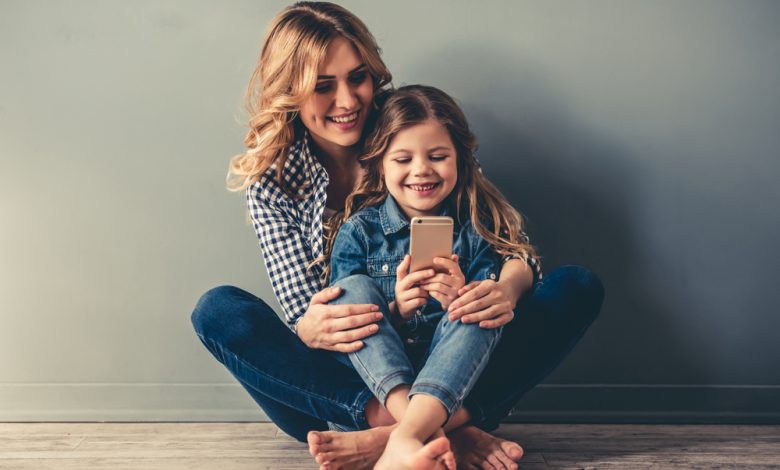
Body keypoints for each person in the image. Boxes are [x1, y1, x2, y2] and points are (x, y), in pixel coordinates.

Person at [189, 3, 604, 470]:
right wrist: (316, 325)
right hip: (341, 383)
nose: (347, 102)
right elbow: (313, 316)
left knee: (576, 286)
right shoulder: (273, 181)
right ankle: (436, 427)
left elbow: (511, 246)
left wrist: (502, 291)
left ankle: (393, 439)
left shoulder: (415, 125)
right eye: (323, 87)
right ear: (291, 92)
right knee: (218, 310)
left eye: (358, 77)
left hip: (454, 359)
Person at [321, 84, 553, 469]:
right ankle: (417, 428)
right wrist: (397, 310)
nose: (421, 170)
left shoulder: (476, 229)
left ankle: (404, 438)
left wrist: (459, 299)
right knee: (353, 290)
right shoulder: (360, 230)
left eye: (437, 156)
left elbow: (485, 321)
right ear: (379, 164)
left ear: (460, 160)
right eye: (403, 159)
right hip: (381, 382)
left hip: (452, 374)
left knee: (480, 303)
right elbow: (344, 324)